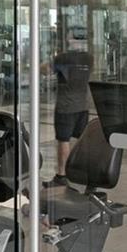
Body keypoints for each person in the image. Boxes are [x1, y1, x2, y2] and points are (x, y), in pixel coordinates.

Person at [49, 36, 94, 185]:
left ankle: (62, 175)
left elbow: (45, 70)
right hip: (83, 106)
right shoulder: (88, 58)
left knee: (64, 140)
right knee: (82, 140)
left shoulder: (63, 58)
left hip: (66, 107)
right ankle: (85, 173)